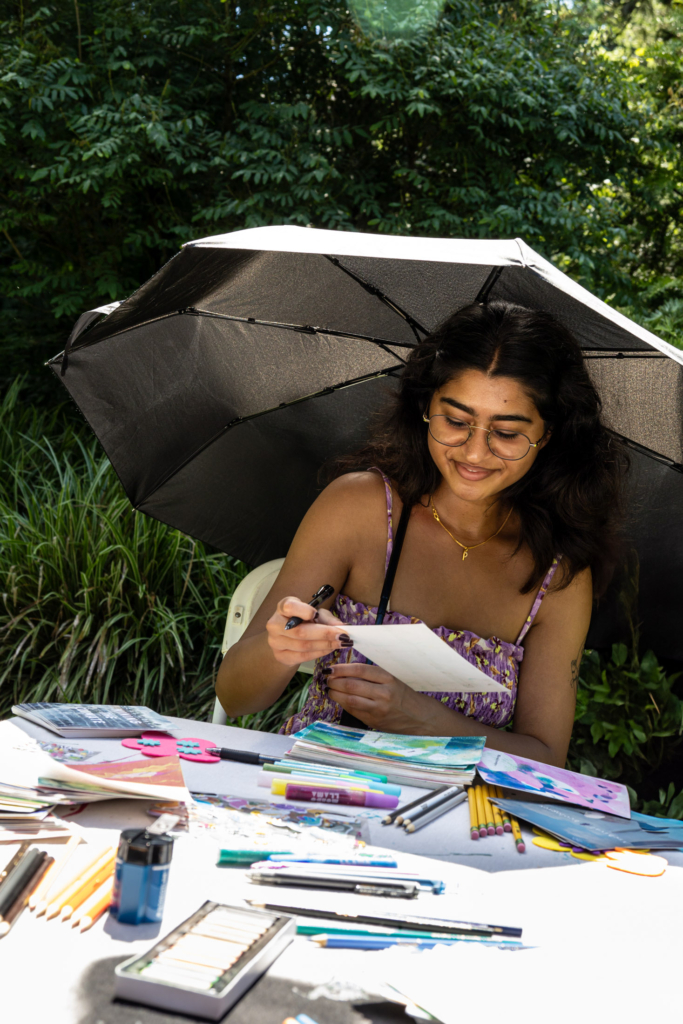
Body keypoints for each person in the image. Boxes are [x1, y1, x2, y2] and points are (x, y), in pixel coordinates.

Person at [215, 302, 627, 767]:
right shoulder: (361, 509)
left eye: (507, 433)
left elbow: (545, 757)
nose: (475, 452)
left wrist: (421, 719)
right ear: (425, 408)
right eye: (455, 421)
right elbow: (236, 694)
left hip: (456, 819)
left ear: (547, 435)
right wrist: (281, 648)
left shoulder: (556, 572)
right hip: (316, 786)